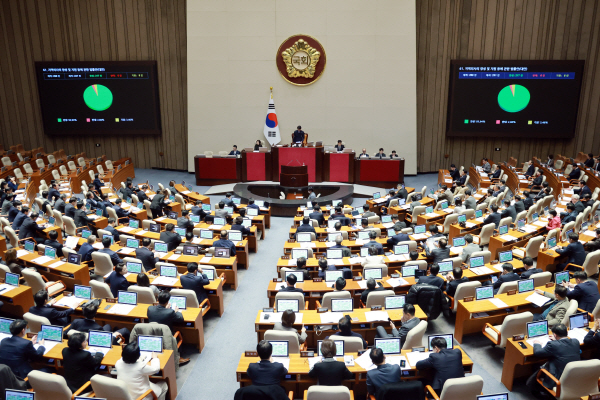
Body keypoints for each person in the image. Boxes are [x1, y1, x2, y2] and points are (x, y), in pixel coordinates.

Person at [527, 324, 579, 397]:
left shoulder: (552, 345)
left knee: (538, 366)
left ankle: (538, 390)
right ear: (567, 332)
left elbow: (537, 353)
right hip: (574, 376)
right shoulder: (576, 341)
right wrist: (556, 340)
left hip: (557, 379)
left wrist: (537, 344)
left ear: (555, 334)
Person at [65, 302, 129, 342]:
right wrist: (114, 335)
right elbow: (105, 340)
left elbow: (65, 333)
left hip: (78, 342)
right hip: (94, 342)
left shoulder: (76, 321)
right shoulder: (98, 328)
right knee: (125, 330)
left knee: (108, 326)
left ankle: (115, 329)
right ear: (95, 314)